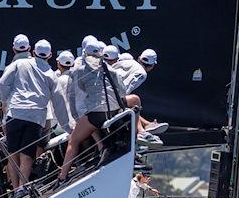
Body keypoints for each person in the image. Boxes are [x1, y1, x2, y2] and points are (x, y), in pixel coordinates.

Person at [57, 41, 127, 183]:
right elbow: (122, 90)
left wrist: (77, 118)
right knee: (134, 100)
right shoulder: (110, 69)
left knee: (74, 140)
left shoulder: (79, 71)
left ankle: (62, 177)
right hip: (114, 111)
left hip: (97, 114)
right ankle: (105, 148)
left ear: (85, 54)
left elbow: (73, 95)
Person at [0, 34, 57, 196]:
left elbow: (3, 84)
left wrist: (7, 102)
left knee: (12, 153)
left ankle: (16, 189)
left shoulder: (20, 64)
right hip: (36, 117)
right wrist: (67, 126)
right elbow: (58, 102)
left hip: (14, 112)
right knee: (27, 154)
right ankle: (23, 188)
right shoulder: (51, 74)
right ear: (50, 56)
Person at [113, 48, 167, 146]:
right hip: (111, 99)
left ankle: (147, 124)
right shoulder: (142, 73)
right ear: (153, 65)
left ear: (139, 58)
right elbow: (125, 89)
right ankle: (139, 133)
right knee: (135, 100)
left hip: (105, 96)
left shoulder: (130, 62)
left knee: (131, 104)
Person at [52, 50, 76, 133]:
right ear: (73, 64)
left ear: (58, 64)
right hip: (79, 121)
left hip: (63, 125)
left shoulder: (57, 81)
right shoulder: (78, 77)